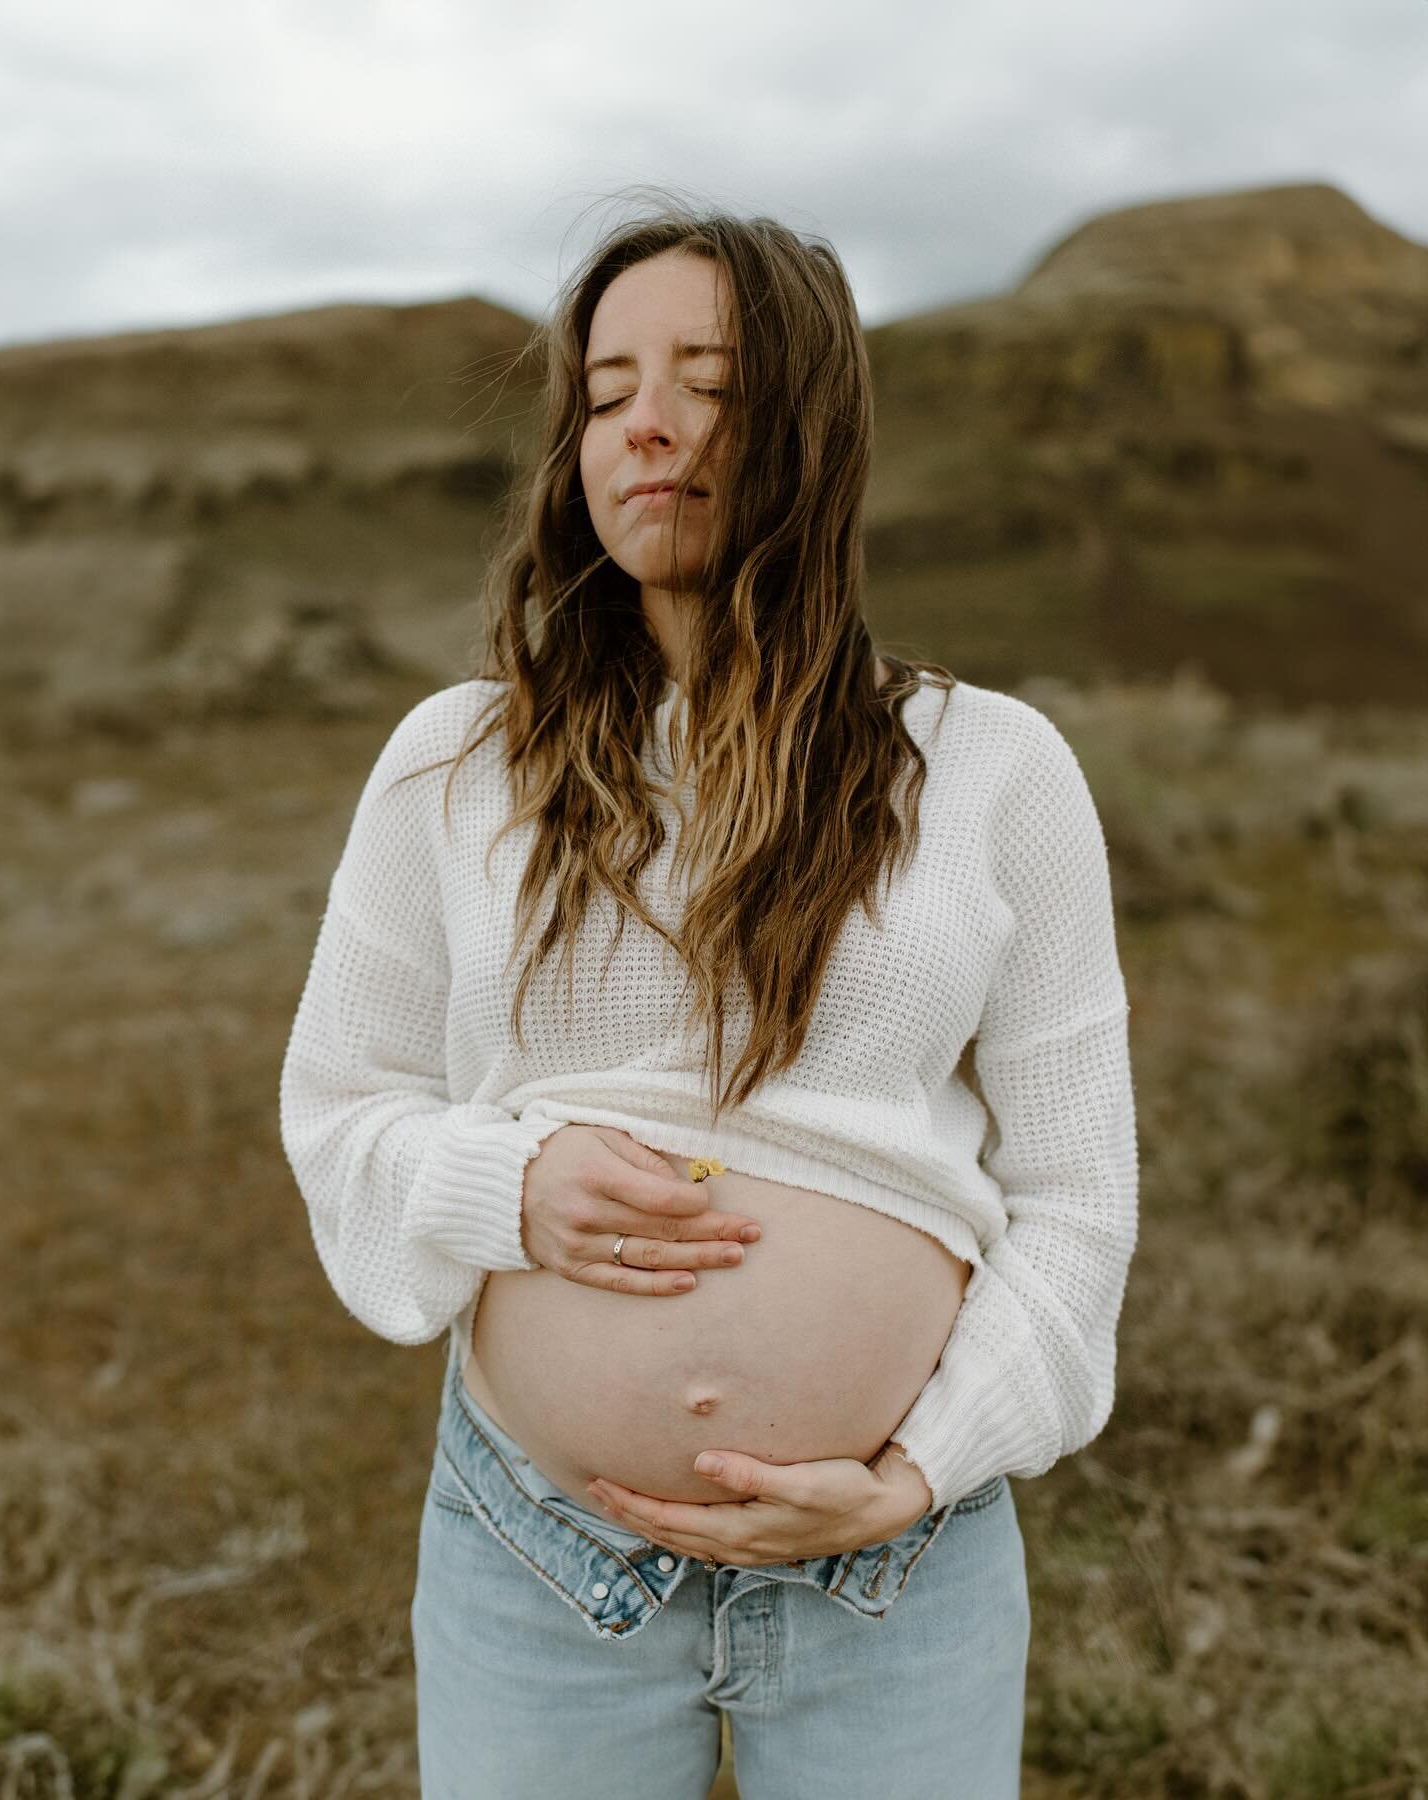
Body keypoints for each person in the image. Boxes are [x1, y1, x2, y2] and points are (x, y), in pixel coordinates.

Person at [279, 194, 1139, 1799]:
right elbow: (340, 1112)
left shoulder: (995, 767)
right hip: (541, 1560)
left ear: (809, 426)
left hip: (900, 1572)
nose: (648, 429)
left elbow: (1079, 1200)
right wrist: (504, 1180)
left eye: (710, 384)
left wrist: (918, 1472)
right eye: (606, 393)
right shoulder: (455, 766)